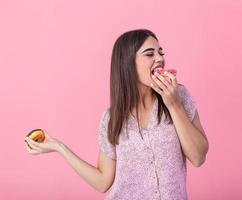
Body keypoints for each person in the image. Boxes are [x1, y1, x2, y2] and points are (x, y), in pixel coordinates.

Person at [25, 29, 209, 200]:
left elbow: (198, 157)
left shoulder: (179, 96)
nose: (160, 58)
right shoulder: (112, 119)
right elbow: (103, 182)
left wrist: (174, 105)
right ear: (128, 63)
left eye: (161, 52)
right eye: (150, 54)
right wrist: (59, 147)